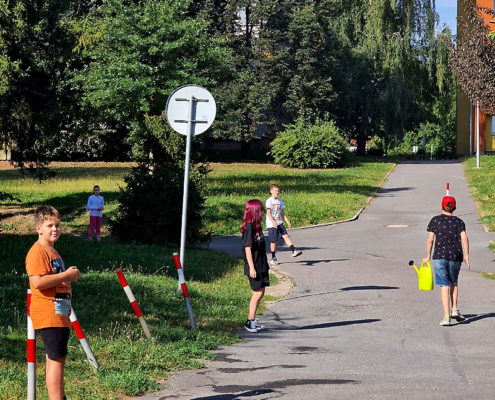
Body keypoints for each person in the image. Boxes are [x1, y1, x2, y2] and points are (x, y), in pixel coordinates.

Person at [26, 206, 81, 400]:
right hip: (49, 313)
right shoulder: (38, 252)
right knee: (56, 361)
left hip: (60, 312)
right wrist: (66, 275)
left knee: (57, 359)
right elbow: (38, 282)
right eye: (50, 225)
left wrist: (69, 277)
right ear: (39, 228)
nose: (55, 229)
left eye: (57, 225)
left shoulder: (52, 251)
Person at [423, 196, 470, 326]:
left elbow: (430, 239)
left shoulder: (435, 220)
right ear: (454, 207)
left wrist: (427, 255)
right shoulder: (459, 222)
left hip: (439, 256)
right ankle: (455, 309)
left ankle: (446, 317)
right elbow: (464, 238)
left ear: (442, 206)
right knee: (453, 283)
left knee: (444, 285)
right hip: (455, 256)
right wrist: (466, 255)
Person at [241, 199, 270, 333]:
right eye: (261, 210)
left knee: (261, 291)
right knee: (257, 292)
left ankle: (252, 320)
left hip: (261, 264)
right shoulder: (249, 227)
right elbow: (247, 248)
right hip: (255, 266)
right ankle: (249, 321)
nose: (263, 212)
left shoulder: (257, 226)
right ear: (255, 211)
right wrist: (252, 267)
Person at [266, 184, 302, 265]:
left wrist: (287, 221)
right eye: (275, 191)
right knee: (274, 241)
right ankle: (273, 257)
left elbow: (282, 212)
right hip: (271, 224)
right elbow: (268, 213)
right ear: (271, 191)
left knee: (285, 236)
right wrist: (273, 222)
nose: (277, 192)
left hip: (279, 222)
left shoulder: (279, 201)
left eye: (278, 191)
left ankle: (294, 250)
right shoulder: (269, 201)